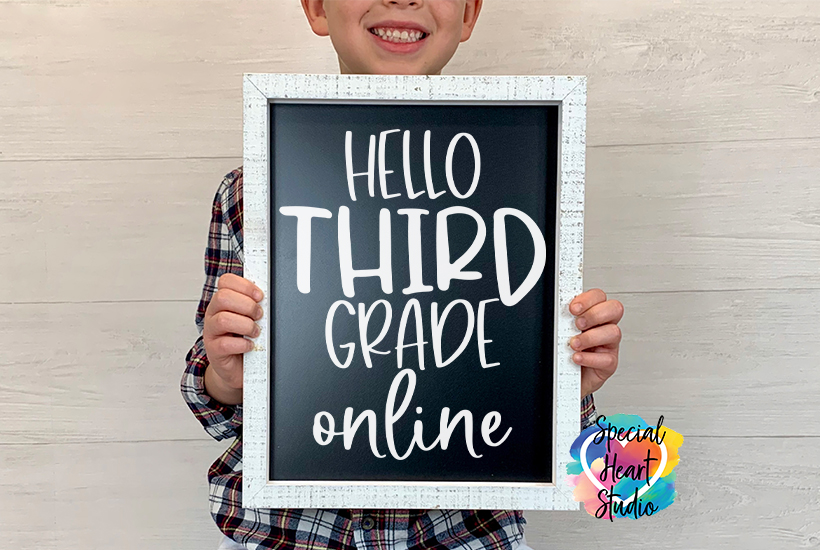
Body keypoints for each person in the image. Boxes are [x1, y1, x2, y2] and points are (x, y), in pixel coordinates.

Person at [181, 1, 625, 549]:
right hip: (288, 535)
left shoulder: (527, 172)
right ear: (318, 8)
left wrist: (564, 383)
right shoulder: (254, 193)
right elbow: (217, 405)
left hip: (463, 536)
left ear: (468, 14)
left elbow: (580, 462)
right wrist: (226, 375)